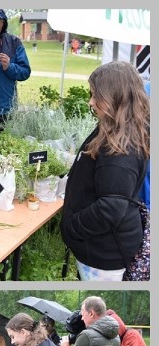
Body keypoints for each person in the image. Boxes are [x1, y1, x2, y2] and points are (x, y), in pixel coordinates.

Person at [61, 61, 150, 281]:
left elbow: (111, 207)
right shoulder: (116, 127)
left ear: (114, 97)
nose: (91, 101)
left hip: (103, 254)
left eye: (96, 95)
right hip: (101, 246)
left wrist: (72, 227)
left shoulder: (121, 148)